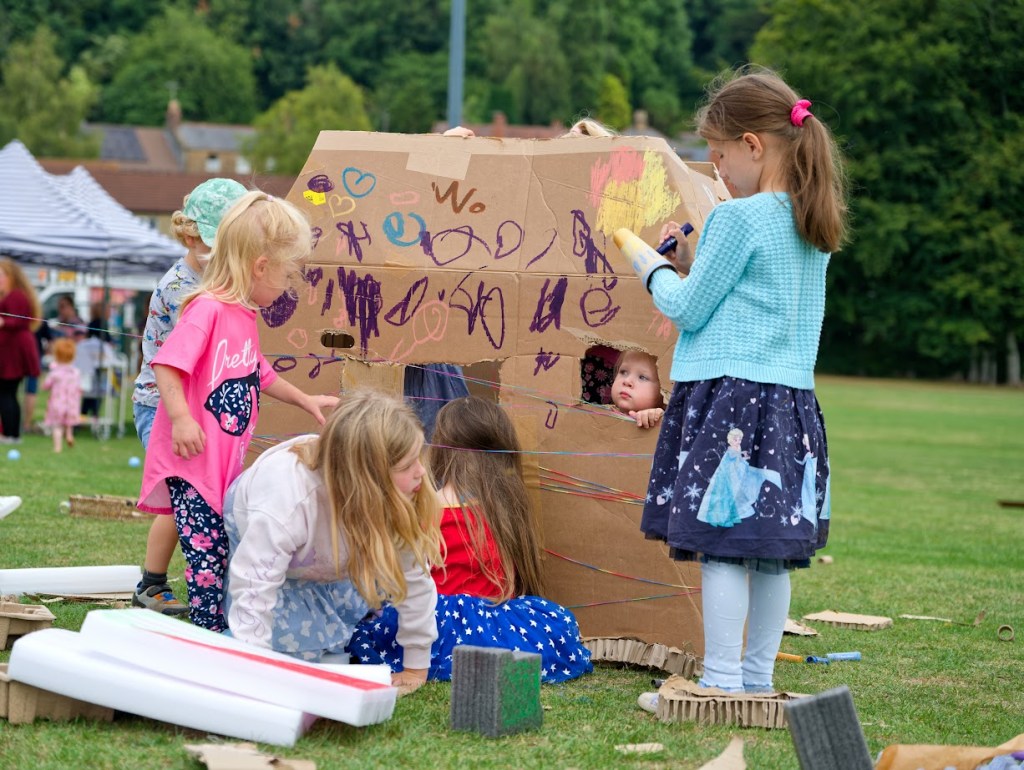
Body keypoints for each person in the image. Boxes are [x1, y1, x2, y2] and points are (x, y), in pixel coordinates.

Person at [620, 67, 848, 697]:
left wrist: (650, 266)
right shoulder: (811, 222)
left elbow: (689, 309)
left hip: (732, 406)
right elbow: (746, 299)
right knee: (770, 552)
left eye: (718, 156)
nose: (716, 172)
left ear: (753, 145)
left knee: (721, 542)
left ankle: (719, 681)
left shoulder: (738, 218)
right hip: (790, 405)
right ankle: (755, 680)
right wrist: (690, 265)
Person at [137, 190, 339, 632]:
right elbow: (166, 364)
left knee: (222, 550)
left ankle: (218, 627)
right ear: (260, 266)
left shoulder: (243, 314)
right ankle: (208, 635)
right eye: (287, 274)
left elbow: (258, 371)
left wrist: (304, 399)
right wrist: (182, 419)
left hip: (222, 466)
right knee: (206, 555)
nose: (288, 285)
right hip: (192, 464)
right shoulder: (207, 308)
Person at [348, 396, 593, 683]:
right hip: (495, 628)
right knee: (556, 624)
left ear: (440, 448)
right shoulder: (505, 508)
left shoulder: (426, 506)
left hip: (435, 624)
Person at [222, 389, 441, 696]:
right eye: (407, 466)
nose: (421, 472)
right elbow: (254, 587)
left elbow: (414, 579)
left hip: (327, 548)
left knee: (336, 640)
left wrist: (416, 665)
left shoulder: (395, 498)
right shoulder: (287, 503)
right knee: (291, 652)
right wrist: (253, 669)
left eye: (418, 459)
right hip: (273, 544)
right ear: (368, 477)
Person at [131, 178, 247, 616]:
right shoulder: (182, 287)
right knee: (184, 499)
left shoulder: (214, 284)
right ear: (191, 235)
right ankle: (152, 585)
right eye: (218, 246)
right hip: (162, 406)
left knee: (194, 498)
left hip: (194, 406)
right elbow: (178, 361)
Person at [0, 258, 42, 444]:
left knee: (6, 392)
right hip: (10, 350)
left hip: (13, 352)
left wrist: (3, 321)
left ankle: (11, 435)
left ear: (11, 276)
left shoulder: (16, 295)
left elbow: (18, 321)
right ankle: (11, 434)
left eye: (1, 275)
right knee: (8, 393)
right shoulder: (10, 295)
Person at [41, 337, 82, 453]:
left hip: (57, 403)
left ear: (56, 355)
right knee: (69, 423)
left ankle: (57, 447)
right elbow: (79, 388)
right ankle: (69, 435)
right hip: (72, 404)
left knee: (57, 426)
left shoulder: (55, 372)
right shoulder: (75, 372)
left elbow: (46, 385)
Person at [609, 350, 665, 429]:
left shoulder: (656, 415)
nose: (627, 381)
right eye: (623, 372)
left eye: (642, 377)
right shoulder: (602, 411)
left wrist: (656, 416)